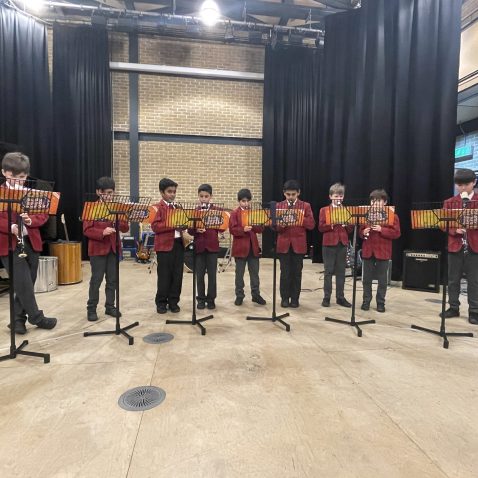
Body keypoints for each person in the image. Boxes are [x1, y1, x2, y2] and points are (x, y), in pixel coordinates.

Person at [0, 152, 57, 334]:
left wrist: (31, 221)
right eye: (16, 178)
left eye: (23, 178)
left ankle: (17, 320)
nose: (21, 182)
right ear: (5, 173)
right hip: (8, 244)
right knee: (23, 282)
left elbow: (43, 213)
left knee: (28, 282)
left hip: (31, 241)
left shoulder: (31, 192)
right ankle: (36, 317)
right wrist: (11, 226)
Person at [83, 177, 129, 322]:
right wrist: (102, 232)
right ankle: (91, 308)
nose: (110, 196)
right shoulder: (91, 207)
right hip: (98, 249)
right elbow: (87, 230)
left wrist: (120, 220)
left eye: (112, 193)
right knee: (96, 280)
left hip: (114, 248)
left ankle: (110, 306)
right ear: (98, 192)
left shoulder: (117, 207)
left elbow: (125, 227)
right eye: (107, 193)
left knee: (112, 280)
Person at [442, 168, 478, 324]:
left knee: (474, 281)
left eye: (466, 184)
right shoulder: (450, 202)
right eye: (459, 185)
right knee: (453, 279)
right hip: (455, 245)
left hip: (474, 246)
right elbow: (443, 223)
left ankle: (474, 311)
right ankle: (453, 307)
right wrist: (454, 230)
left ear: (474, 183)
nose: (462, 188)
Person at [359, 189, 400, 313]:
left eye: (378, 201)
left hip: (383, 250)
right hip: (368, 249)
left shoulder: (393, 215)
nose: (375, 204)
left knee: (382, 279)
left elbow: (396, 233)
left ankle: (380, 302)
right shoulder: (365, 214)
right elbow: (360, 232)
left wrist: (382, 229)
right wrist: (363, 232)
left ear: (385, 202)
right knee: (366, 278)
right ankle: (366, 300)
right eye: (373, 201)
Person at [276, 179, 315, 308]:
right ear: (284, 194)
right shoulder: (279, 206)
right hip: (284, 245)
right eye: (288, 194)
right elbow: (274, 227)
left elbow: (311, 225)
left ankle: (295, 299)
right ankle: (284, 298)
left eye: (293, 194)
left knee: (297, 273)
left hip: (299, 245)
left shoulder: (306, 206)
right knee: (285, 273)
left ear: (298, 193)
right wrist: (280, 225)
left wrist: (299, 218)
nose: (291, 197)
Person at [151, 178, 184, 314]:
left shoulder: (178, 207)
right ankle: (161, 302)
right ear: (162, 192)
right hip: (164, 246)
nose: (172, 194)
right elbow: (155, 227)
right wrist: (172, 225)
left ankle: (173, 302)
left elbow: (183, 223)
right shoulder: (157, 208)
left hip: (178, 244)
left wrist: (184, 225)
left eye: (174, 192)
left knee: (177, 275)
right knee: (164, 276)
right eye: (169, 191)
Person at [229, 188, 266, 306]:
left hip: (253, 248)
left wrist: (259, 224)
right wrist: (243, 229)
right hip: (240, 248)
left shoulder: (253, 212)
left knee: (254, 273)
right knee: (239, 274)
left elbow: (260, 230)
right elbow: (232, 230)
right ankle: (239, 295)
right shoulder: (234, 213)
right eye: (243, 201)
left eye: (247, 201)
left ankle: (256, 295)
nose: (246, 203)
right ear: (239, 201)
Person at [318, 183, 353, 308]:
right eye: (336, 196)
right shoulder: (324, 210)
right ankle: (326, 297)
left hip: (342, 243)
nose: (339, 198)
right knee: (328, 271)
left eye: (341, 196)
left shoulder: (346, 210)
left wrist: (346, 224)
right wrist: (332, 223)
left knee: (341, 272)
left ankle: (340, 297)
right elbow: (321, 227)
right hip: (329, 244)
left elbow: (350, 229)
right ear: (330, 196)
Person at [188, 184, 219, 310]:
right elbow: (190, 230)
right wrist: (196, 230)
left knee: (212, 275)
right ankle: (200, 299)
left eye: (206, 196)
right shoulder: (195, 211)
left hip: (212, 247)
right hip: (199, 247)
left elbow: (222, 228)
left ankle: (211, 299)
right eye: (201, 196)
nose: (204, 199)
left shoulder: (217, 211)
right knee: (199, 275)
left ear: (211, 197)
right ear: (198, 196)